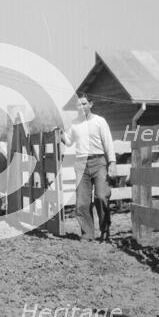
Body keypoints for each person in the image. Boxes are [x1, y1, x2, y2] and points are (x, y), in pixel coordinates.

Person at [57, 94, 116, 242]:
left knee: (102, 197)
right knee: (82, 202)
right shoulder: (75, 123)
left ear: (91, 104)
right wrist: (59, 132)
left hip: (99, 161)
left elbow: (108, 142)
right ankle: (87, 234)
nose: (81, 107)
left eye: (84, 104)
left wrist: (112, 163)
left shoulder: (99, 121)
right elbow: (69, 141)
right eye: (78, 105)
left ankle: (105, 230)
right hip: (81, 164)